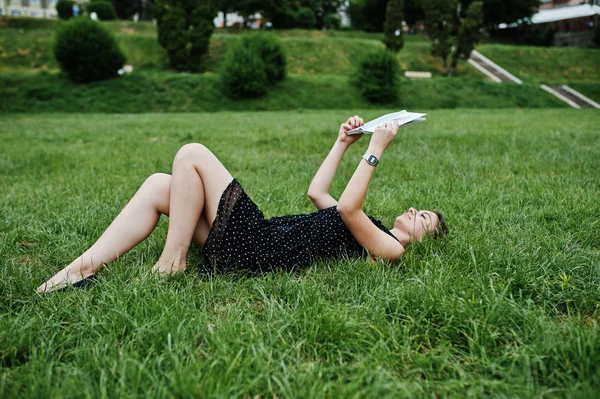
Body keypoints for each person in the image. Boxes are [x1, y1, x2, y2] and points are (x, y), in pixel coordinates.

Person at [37, 116, 447, 293]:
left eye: (423, 217)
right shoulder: (370, 226)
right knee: (161, 184)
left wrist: (376, 150)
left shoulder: (389, 248)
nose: (414, 210)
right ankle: (80, 269)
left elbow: (347, 210)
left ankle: (171, 263)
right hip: (253, 242)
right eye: (419, 208)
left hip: (259, 247)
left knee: (192, 153)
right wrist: (343, 143)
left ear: (423, 240)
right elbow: (319, 194)